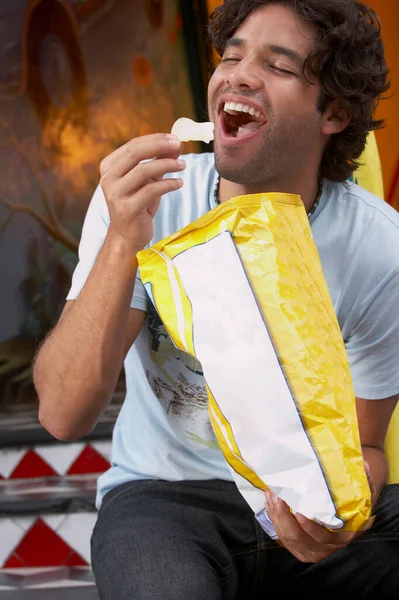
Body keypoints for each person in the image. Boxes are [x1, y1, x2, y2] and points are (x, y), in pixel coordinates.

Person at [33, 0, 399, 597]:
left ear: (333, 111)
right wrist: (126, 239)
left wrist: (341, 513)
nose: (239, 74)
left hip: (301, 491)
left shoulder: (380, 251)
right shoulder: (149, 204)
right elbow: (62, 414)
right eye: (231, 57)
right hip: (162, 496)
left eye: (278, 66)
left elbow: (363, 446)